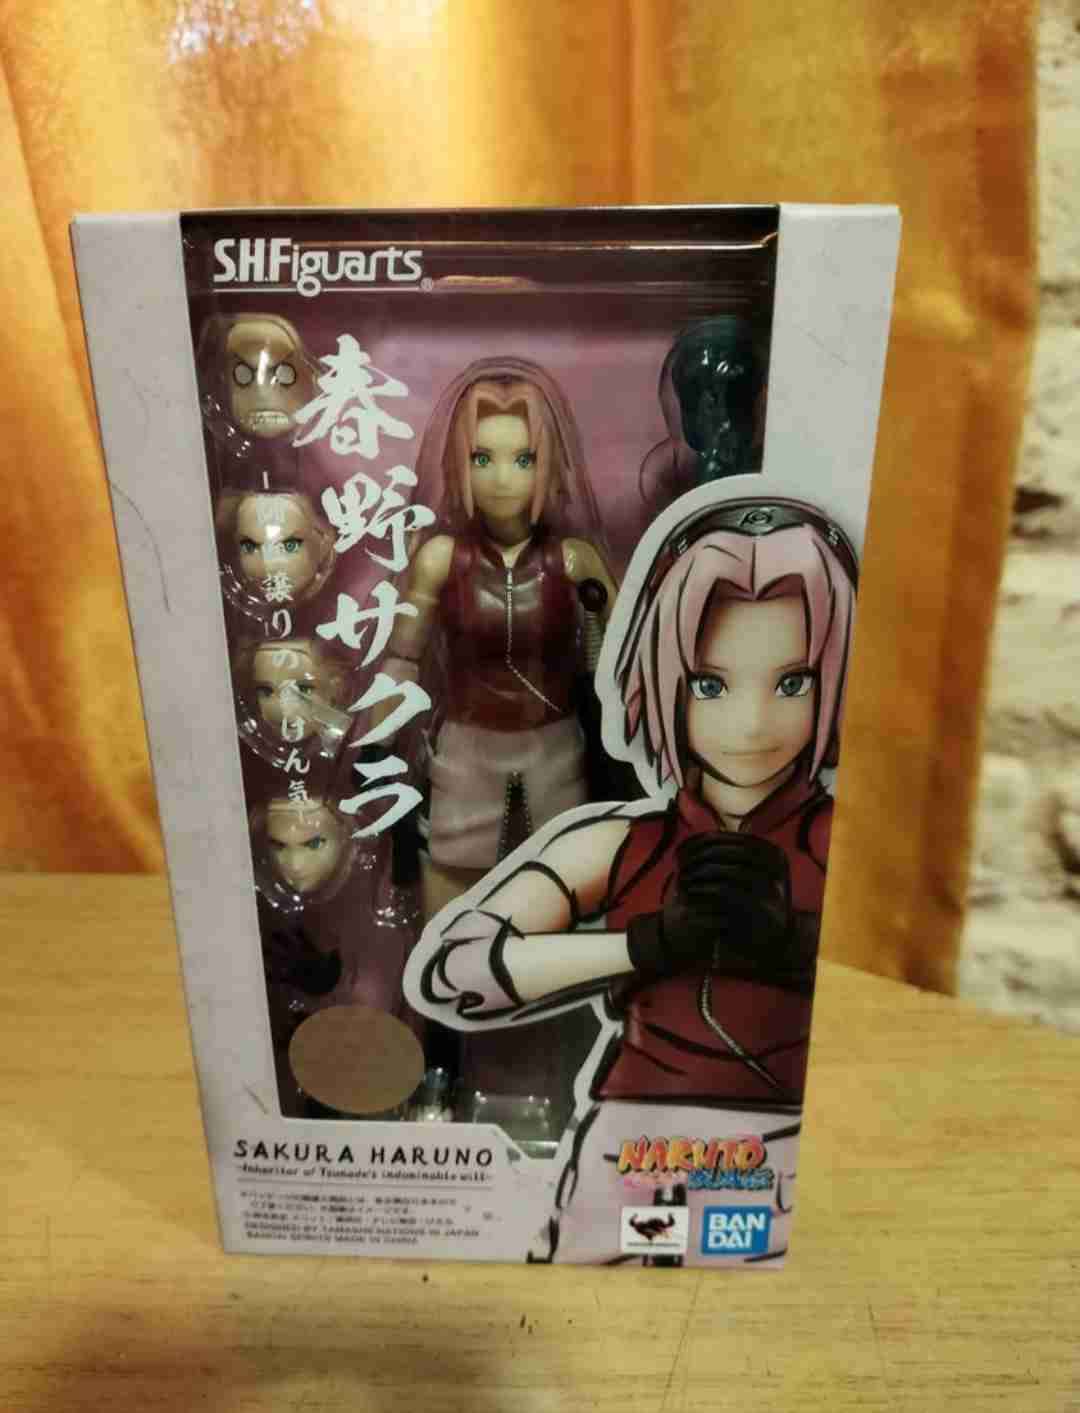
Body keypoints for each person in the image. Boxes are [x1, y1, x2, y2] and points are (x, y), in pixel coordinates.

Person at [405, 494, 857, 1264]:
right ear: (667, 679)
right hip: (626, 1153)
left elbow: (909, 981)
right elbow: (456, 970)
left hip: (780, 1155)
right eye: (710, 684)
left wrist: (794, 944)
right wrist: (644, 945)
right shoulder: (626, 842)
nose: (752, 724)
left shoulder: (843, 841)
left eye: (794, 682)